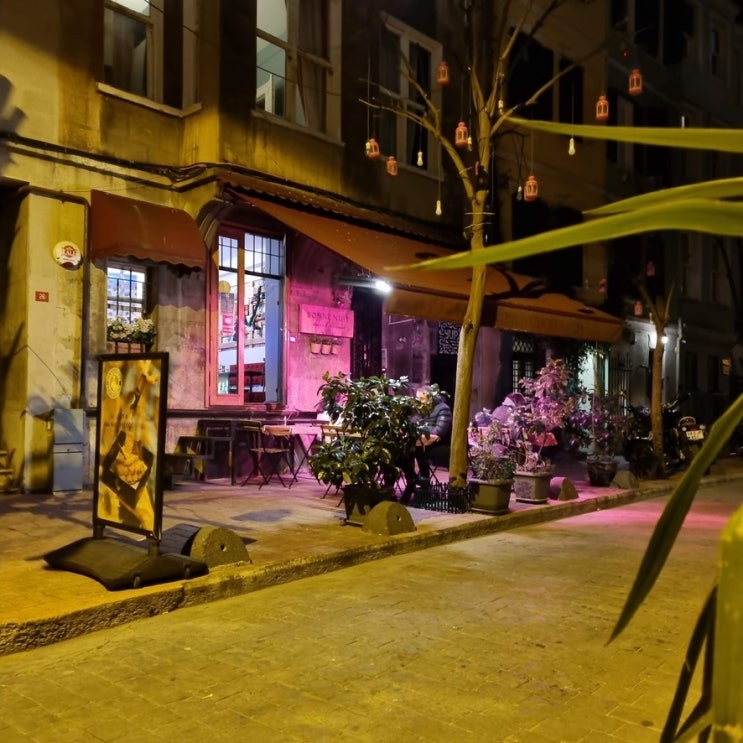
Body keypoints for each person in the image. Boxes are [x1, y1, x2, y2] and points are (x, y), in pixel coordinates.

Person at [400, 385, 452, 503]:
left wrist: (419, 431)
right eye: (418, 399)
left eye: (422, 399)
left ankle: (423, 485)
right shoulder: (417, 408)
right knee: (400, 453)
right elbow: (410, 425)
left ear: (430, 398)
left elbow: (439, 431)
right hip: (419, 444)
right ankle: (413, 479)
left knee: (419, 452)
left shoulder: (443, 409)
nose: (419, 401)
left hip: (439, 446)